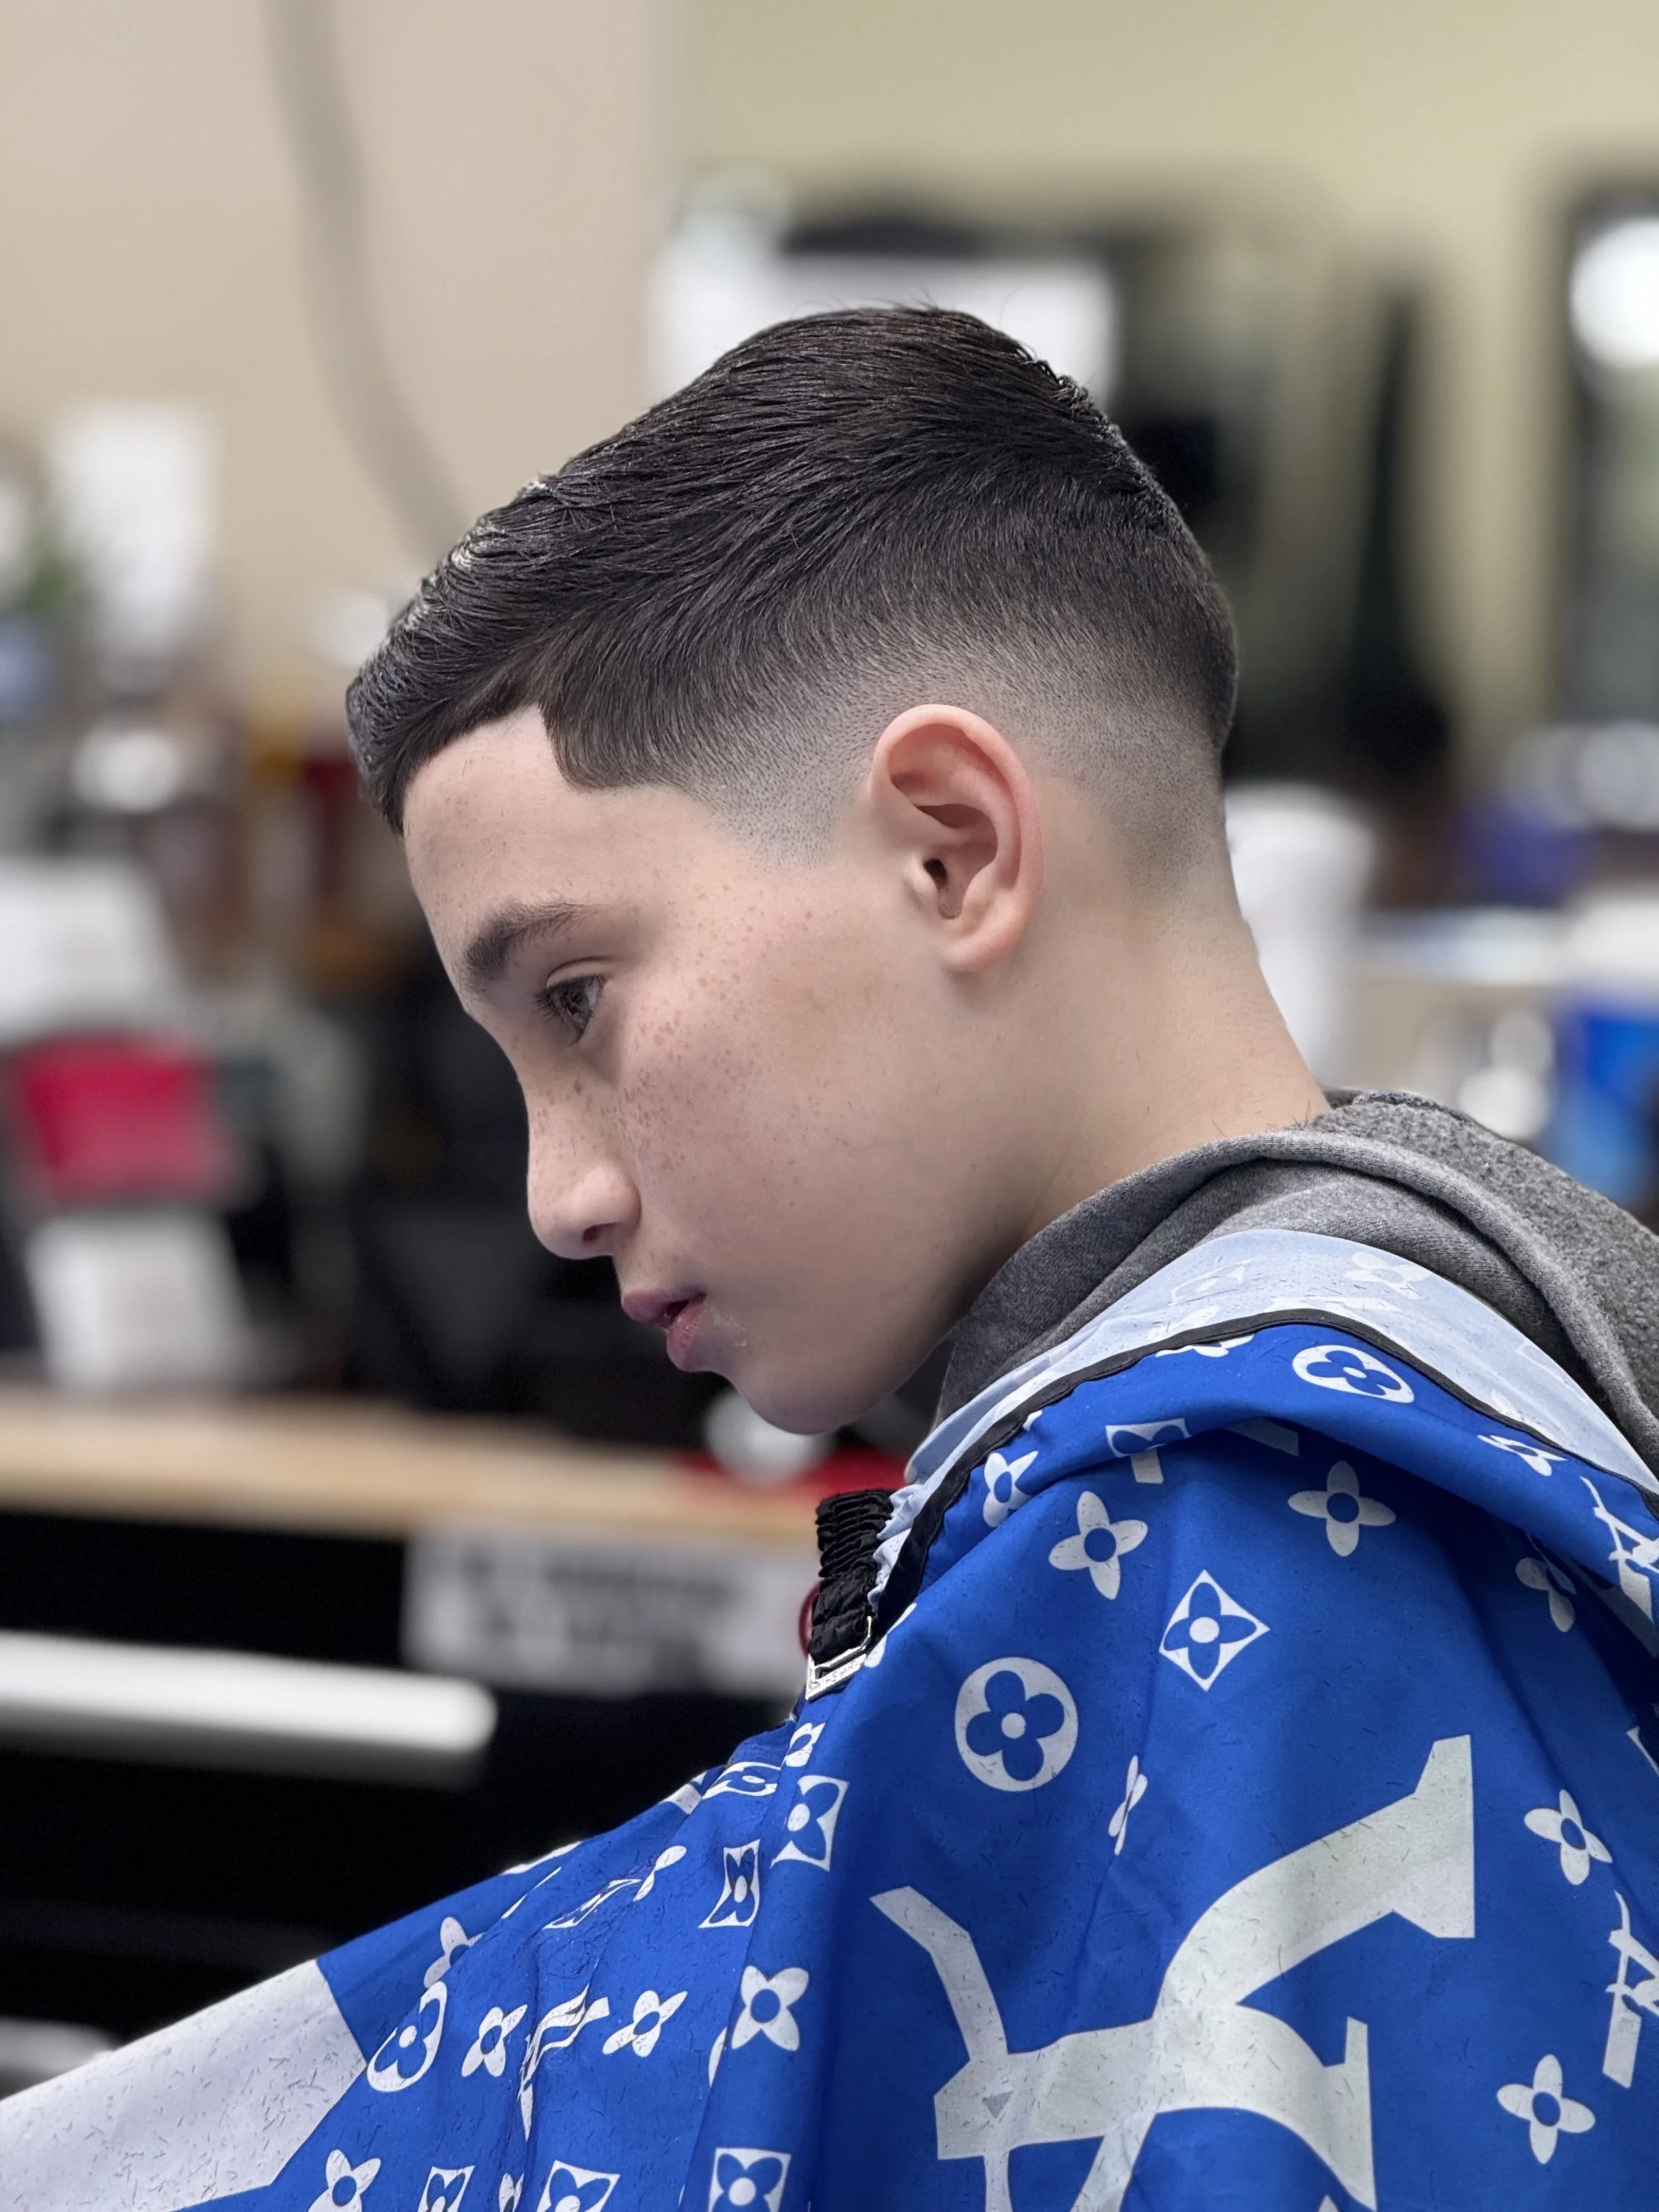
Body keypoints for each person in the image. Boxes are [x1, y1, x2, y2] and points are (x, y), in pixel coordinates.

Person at [9, 306, 1659, 2209]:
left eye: (578, 997)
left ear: (951, 849)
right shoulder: (1457, 1356)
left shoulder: (1248, 1519)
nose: (557, 1195)